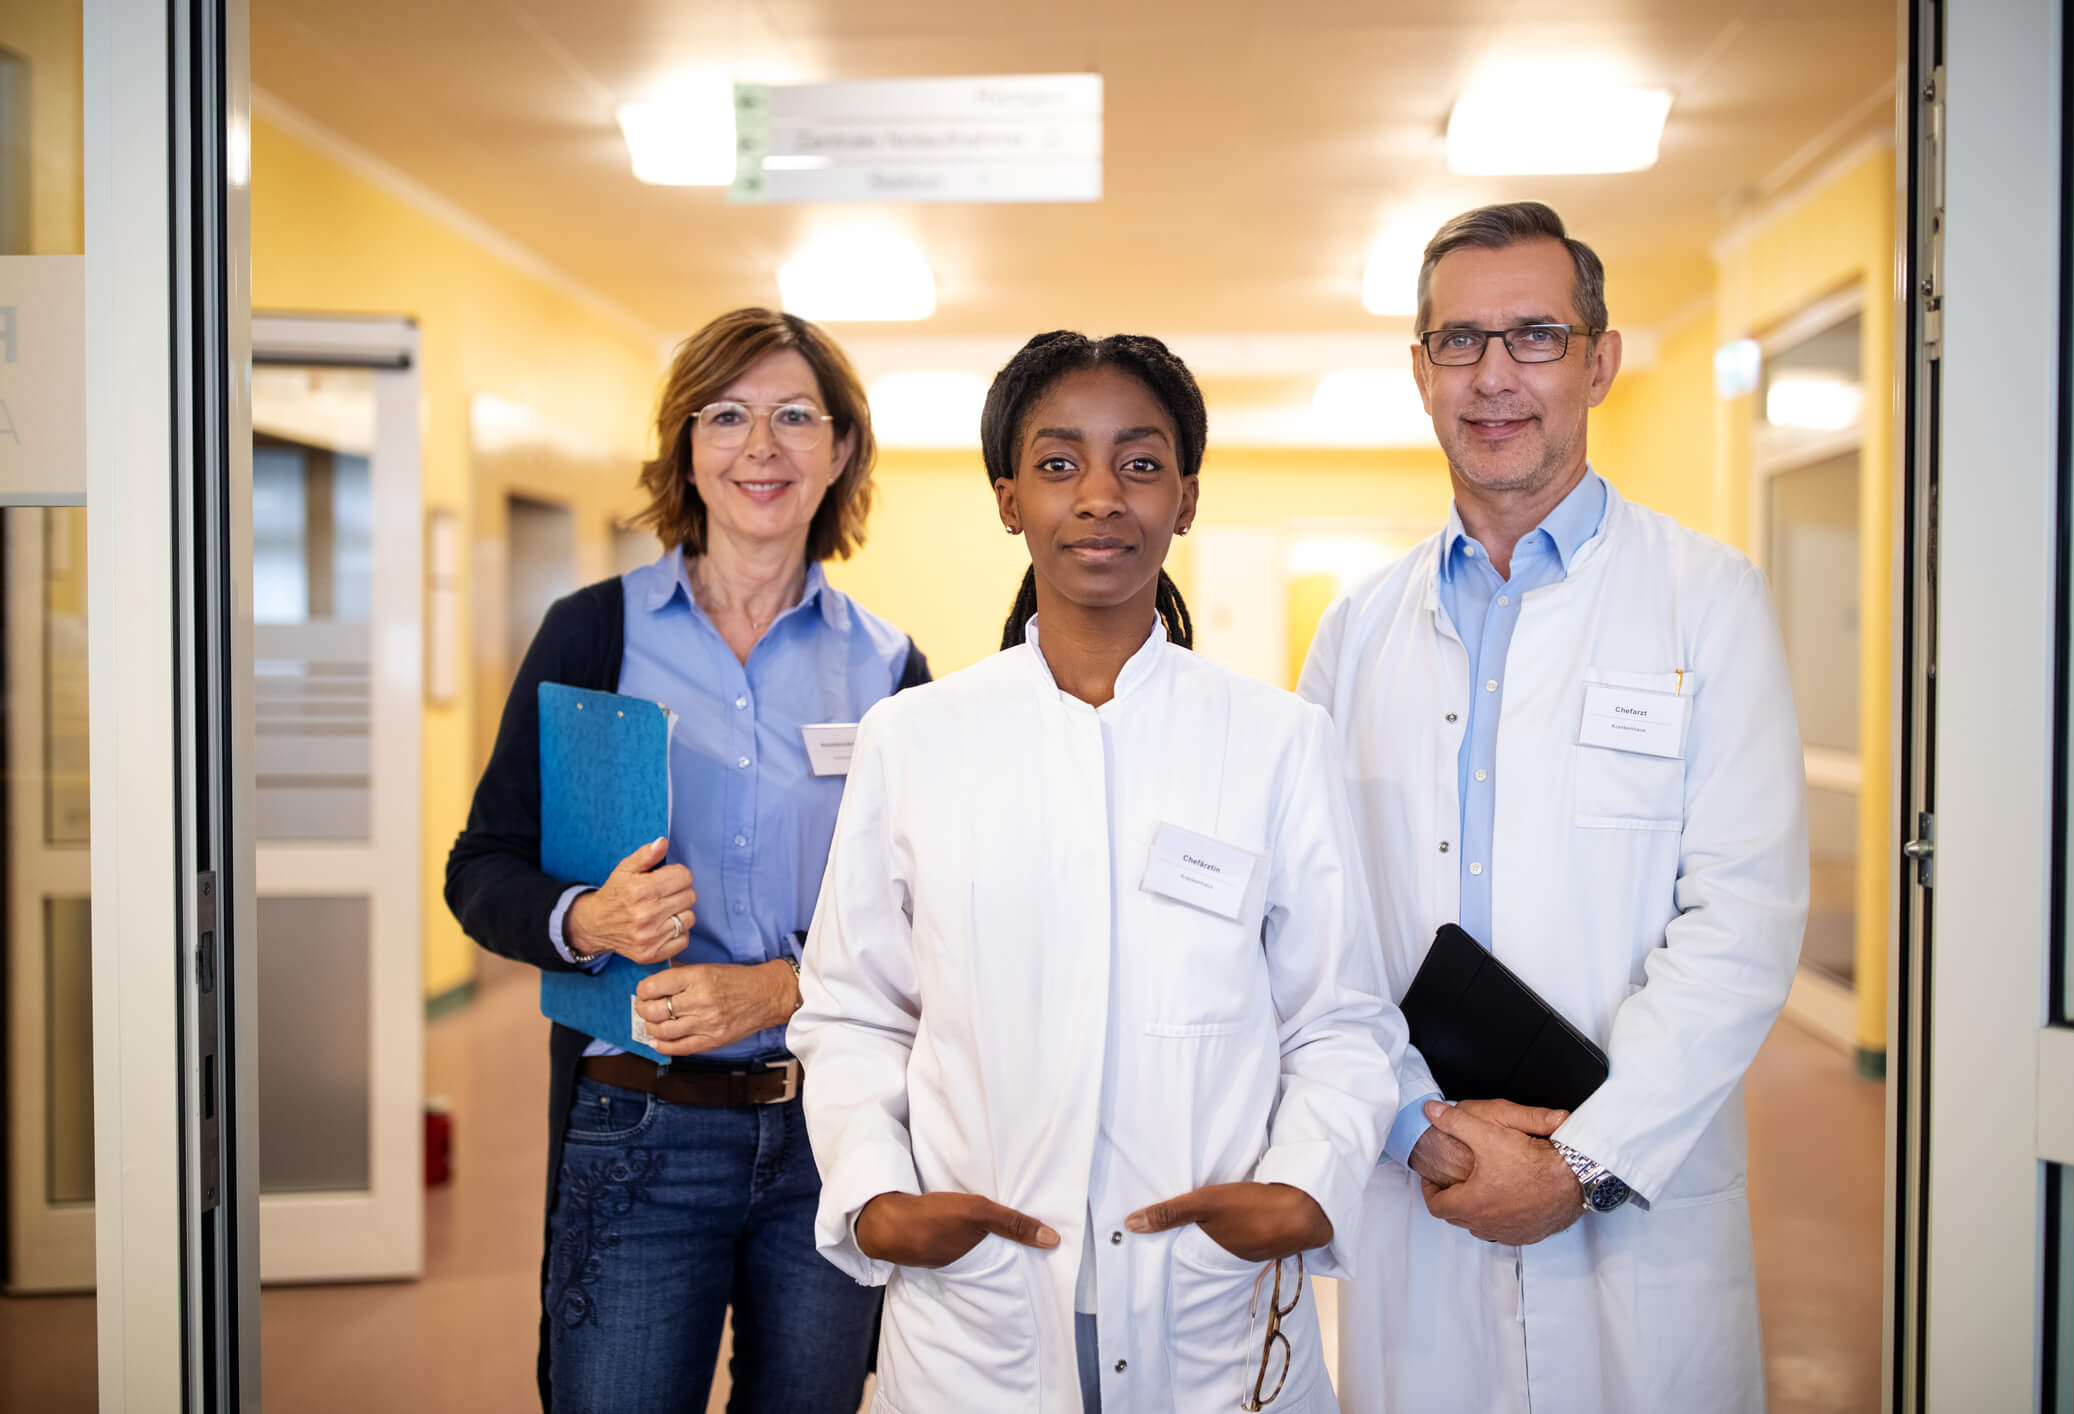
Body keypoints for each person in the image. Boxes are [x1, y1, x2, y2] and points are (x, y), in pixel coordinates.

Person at [785, 331, 1404, 1414]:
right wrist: (876, 1191)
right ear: (1008, 498)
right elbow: (850, 1011)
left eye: (1142, 461)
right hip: (976, 1303)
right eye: (1060, 463)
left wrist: (1305, 1184)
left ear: (1188, 497)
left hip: (1211, 1297)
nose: (1103, 496)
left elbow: (1338, 1018)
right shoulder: (916, 738)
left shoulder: (1274, 739)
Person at [1298, 200, 1809, 1414]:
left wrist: (1581, 1159)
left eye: (1534, 335)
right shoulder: (1356, 632)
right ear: (1419, 372)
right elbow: (1317, 927)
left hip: (1637, 1195)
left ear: (1600, 358)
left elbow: (1740, 922)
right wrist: (1422, 1123)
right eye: (1460, 343)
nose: (1495, 377)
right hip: (1426, 1167)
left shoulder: (1705, 600)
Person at [443, 307, 931, 1413]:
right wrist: (587, 917)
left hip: (831, 1129)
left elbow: (934, 927)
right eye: (728, 415)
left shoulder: (894, 671)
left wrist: (783, 985)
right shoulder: (592, 633)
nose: (761, 447)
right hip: (637, 1126)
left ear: (841, 448)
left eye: (796, 416)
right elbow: (482, 867)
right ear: (687, 445)